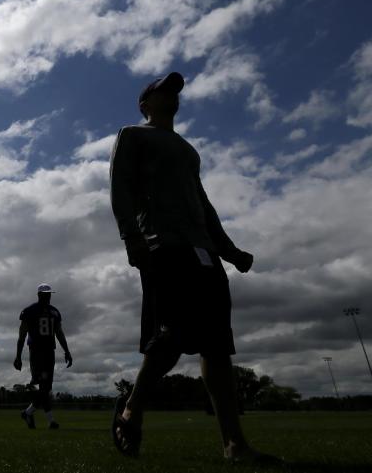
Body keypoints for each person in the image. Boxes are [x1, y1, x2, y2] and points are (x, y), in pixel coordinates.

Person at [108, 72, 280, 464]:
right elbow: (120, 187)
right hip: (163, 247)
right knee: (169, 338)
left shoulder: (188, 151)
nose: (171, 95)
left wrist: (230, 250)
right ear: (145, 104)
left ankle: (234, 444)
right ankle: (132, 409)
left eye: (175, 91)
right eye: (162, 90)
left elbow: (203, 204)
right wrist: (131, 237)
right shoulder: (133, 135)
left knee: (217, 346)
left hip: (204, 252)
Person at [14, 283, 72, 430]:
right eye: (45, 294)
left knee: (46, 387)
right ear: (39, 295)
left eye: (49, 294)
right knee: (44, 386)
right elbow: (22, 335)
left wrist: (67, 350)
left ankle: (29, 413)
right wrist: (18, 356)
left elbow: (59, 333)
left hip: (49, 351)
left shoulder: (54, 312)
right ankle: (49, 420)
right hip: (36, 351)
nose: (48, 296)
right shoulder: (29, 311)